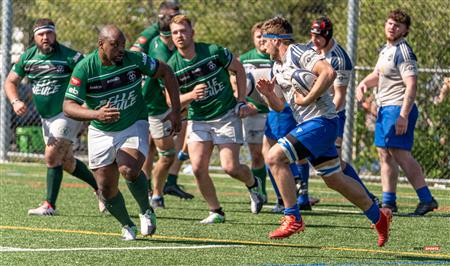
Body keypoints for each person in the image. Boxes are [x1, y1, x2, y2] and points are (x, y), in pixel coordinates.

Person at [256, 16, 391, 247]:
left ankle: (292, 217)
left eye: (265, 39)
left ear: (277, 40)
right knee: (335, 179)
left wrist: (308, 98)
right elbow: (280, 105)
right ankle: (378, 217)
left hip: (322, 122)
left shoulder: (297, 52)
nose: (261, 44)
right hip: (312, 125)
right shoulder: (277, 65)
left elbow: (328, 72)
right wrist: (269, 94)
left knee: (274, 156)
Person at [63, 25, 181, 240]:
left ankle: (146, 209)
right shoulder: (85, 68)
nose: (120, 50)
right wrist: (96, 114)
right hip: (101, 130)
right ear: (101, 44)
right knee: (106, 188)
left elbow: (166, 72)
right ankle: (127, 224)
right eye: (114, 45)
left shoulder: (135, 59)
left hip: (133, 122)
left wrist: (175, 110)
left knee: (128, 169)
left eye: (123, 45)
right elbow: (68, 106)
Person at [168, 15, 265, 224]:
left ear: (192, 32)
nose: (179, 36)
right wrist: (191, 95)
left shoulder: (212, 51)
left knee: (230, 167)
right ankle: (216, 211)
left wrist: (240, 100)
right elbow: (170, 99)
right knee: (197, 168)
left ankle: (252, 183)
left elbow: (238, 69)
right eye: (175, 32)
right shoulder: (172, 66)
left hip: (225, 115)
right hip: (198, 119)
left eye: (183, 31)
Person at [4, 18, 103, 216]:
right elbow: (10, 82)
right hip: (46, 118)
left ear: (55, 34)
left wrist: (87, 106)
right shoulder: (27, 58)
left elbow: (89, 75)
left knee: (51, 155)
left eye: (49, 33)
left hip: (67, 112)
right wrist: (16, 102)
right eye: (41, 34)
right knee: (66, 161)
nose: (46, 38)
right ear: (34, 37)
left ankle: (49, 205)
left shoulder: (70, 56)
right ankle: (101, 189)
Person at [356, 9, 438, 215]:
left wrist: (403, 115)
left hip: (397, 108)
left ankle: (426, 199)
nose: (392, 27)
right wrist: (364, 84)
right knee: (385, 155)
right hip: (385, 109)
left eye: (398, 25)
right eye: (390, 23)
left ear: (405, 30)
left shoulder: (404, 51)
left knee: (401, 154)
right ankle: (389, 202)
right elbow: (378, 74)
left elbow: (411, 85)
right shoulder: (386, 49)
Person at [308, 17, 380, 206]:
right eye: (312, 35)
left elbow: (339, 96)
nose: (314, 40)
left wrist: (324, 118)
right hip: (308, 111)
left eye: (318, 37)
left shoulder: (339, 59)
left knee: (337, 164)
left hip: (332, 115)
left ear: (328, 35)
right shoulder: (309, 50)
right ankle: (300, 196)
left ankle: (368, 197)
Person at [132, 1, 191, 199]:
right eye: (169, 15)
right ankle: (154, 191)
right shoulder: (154, 39)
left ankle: (162, 185)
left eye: (176, 14)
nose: (173, 18)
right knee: (158, 151)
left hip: (169, 101)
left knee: (159, 147)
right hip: (155, 104)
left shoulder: (179, 39)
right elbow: (133, 54)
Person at [239, 22, 272, 203]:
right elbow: (237, 87)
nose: (262, 40)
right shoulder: (244, 60)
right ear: (253, 38)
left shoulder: (276, 57)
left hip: (277, 113)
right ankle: (261, 192)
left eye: (265, 37)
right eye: (258, 36)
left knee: (277, 155)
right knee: (257, 154)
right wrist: (244, 104)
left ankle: (290, 194)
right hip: (254, 114)